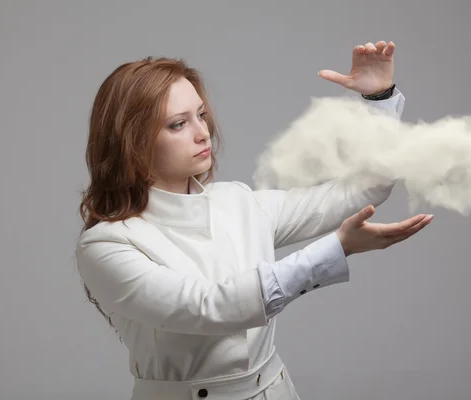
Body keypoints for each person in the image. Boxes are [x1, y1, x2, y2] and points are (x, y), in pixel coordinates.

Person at [76, 40, 433, 400]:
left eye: (201, 115)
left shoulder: (238, 201)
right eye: (178, 124)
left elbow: (363, 190)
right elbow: (207, 308)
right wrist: (336, 249)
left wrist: (379, 101)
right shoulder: (107, 244)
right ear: (132, 141)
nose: (203, 132)